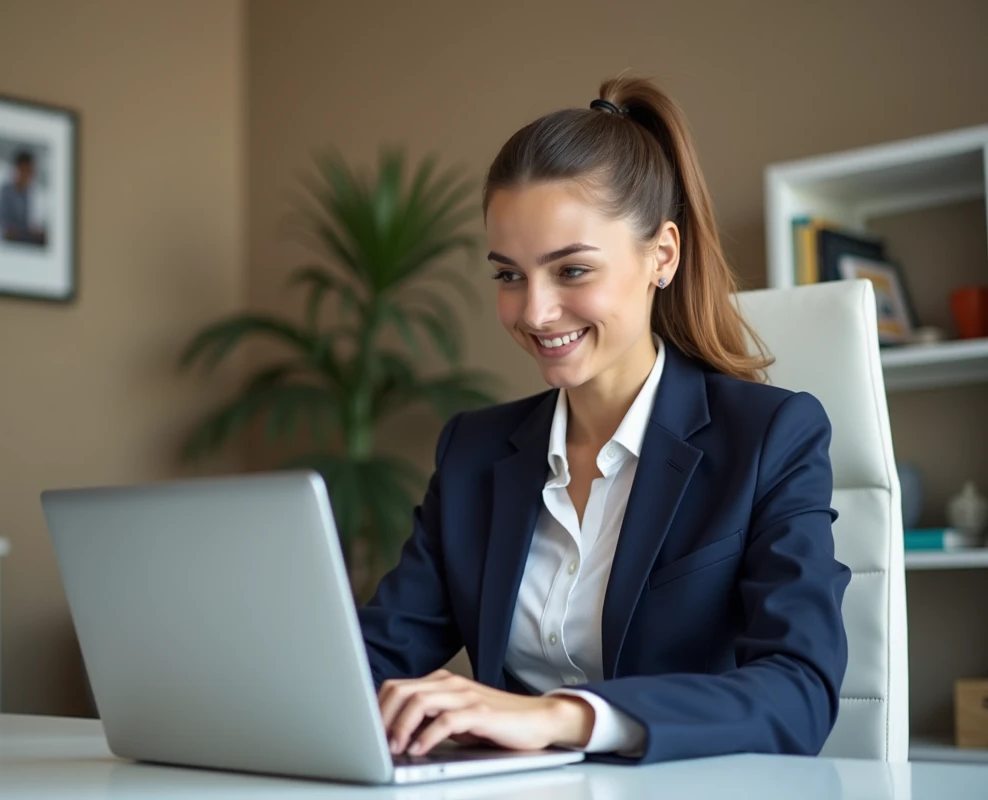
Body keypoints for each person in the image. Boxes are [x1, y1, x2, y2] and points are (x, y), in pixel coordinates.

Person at [357, 75, 850, 766]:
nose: (534, 312)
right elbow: (371, 661)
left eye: (572, 271)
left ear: (663, 256)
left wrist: (562, 717)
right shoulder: (473, 451)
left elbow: (799, 692)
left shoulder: (771, 438)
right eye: (508, 275)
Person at [0, 150, 46, 245]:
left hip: (22, 236)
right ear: (17, 169)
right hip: (8, 239)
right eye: (25, 170)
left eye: (30, 172)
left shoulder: (28, 193)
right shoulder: (5, 191)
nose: (27, 176)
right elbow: (0, 220)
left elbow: (28, 223)